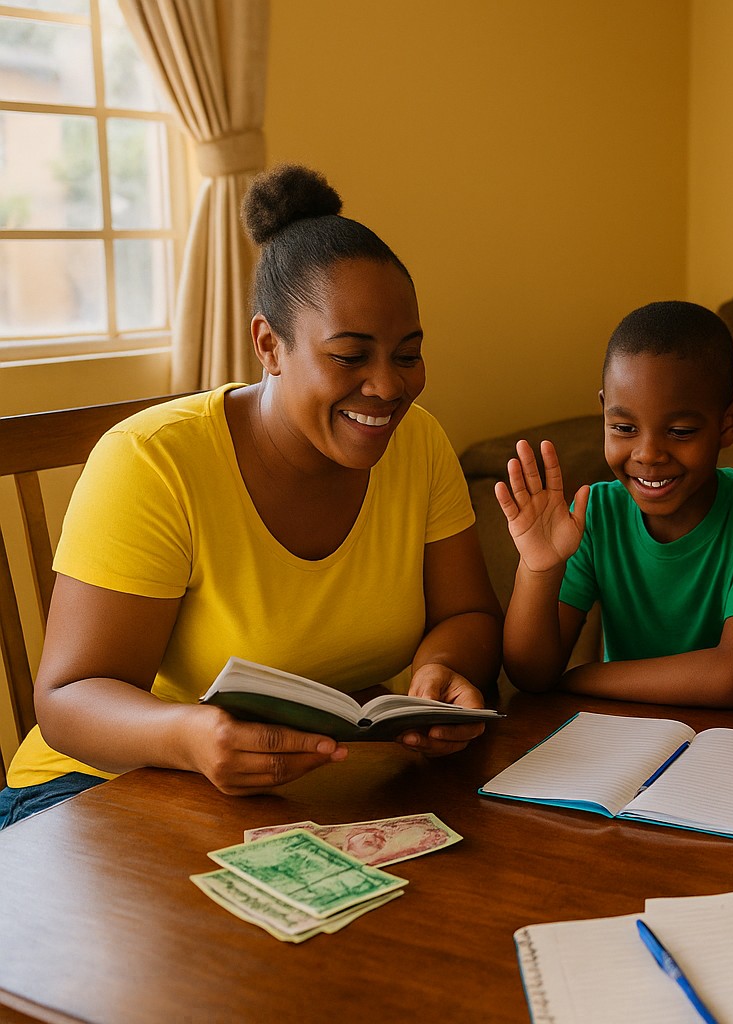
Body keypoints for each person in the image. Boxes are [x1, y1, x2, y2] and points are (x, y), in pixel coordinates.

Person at [0, 165, 502, 828]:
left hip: (307, 788)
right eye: (351, 357)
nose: (388, 386)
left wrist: (442, 673)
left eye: (407, 354)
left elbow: (467, 614)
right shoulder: (154, 461)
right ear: (269, 345)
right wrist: (192, 736)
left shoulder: (419, 443)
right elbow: (67, 701)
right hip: (90, 795)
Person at [499, 301, 733, 706]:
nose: (648, 454)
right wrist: (539, 569)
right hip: (624, 737)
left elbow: (731, 676)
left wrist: (578, 679)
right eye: (623, 428)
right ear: (603, 410)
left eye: (679, 431)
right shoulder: (597, 514)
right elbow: (530, 673)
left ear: (728, 423)